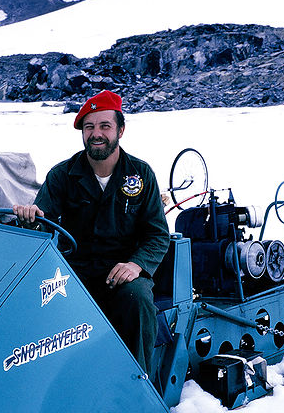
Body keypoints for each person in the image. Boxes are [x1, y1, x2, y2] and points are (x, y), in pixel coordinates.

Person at [13, 90, 169, 376]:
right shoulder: (63, 174)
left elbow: (157, 235)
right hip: (76, 272)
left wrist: (136, 265)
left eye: (104, 126)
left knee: (138, 302)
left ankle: (140, 388)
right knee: (32, 303)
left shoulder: (140, 174)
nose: (96, 134)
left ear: (120, 130)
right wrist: (30, 219)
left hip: (122, 274)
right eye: (89, 127)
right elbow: (42, 222)